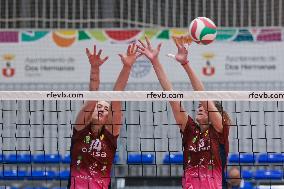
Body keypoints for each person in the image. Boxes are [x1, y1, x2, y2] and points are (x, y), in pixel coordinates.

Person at [137, 36, 231, 189]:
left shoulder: (220, 131)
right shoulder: (190, 130)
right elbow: (170, 95)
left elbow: (202, 95)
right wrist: (155, 61)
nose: (201, 107)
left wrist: (185, 64)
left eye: (205, 107)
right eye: (199, 106)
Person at [69, 43, 141, 189]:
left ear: (109, 115)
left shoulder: (111, 134)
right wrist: (95, 69)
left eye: (105, 108)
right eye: (98, 107)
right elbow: (92, 98)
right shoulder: (81, 129)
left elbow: (117, 95)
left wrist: (127, 67)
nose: (101, 109)